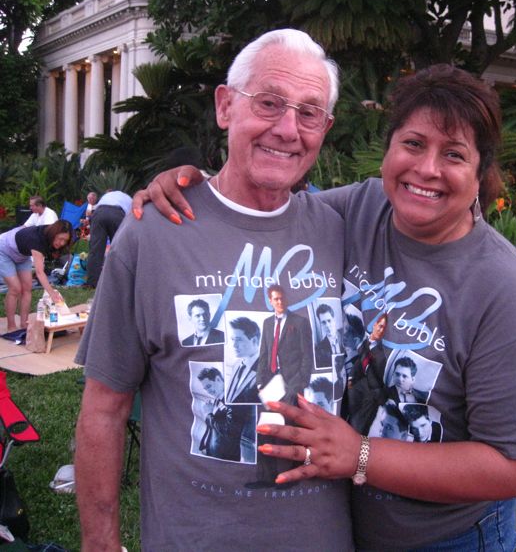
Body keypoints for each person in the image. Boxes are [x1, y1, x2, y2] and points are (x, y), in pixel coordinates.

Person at [138, 63, 516, 550]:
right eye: (413, 143)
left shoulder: (504, 293)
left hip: (447, 539)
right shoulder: (357, 211)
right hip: (347, 527)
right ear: (388, 151)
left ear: (480, 172)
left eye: (454, 154)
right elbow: (264, 208)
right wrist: (196, 187)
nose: (427, 169)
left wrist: (361, 454)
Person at [74, 29, 351, 550]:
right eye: (269, 103)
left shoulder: (343, 226)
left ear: (325, 128)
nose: (288, 129)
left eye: (309, 113)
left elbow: (438, 195)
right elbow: (104, 409)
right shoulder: (152, 233)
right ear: (226, 106)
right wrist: (100, 541)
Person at [0, 221, 71, 331]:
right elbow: (39, 272)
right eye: (60, 239)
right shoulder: (37, 240)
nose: (62, 243)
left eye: (65, 240)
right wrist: (51, 293)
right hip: (4, 250)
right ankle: (11, 326)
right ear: (54, 234)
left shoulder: (48, 234)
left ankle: (24, 324)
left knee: (27, 287)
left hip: (22, 255)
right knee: (15, 288)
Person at [256, 284, 314, 407]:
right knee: (274, 421)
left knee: (291, 422)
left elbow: (307, 355)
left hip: (293, 383)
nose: (280, 302)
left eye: (282, 298)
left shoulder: (300, 322)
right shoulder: (267, 324)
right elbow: (264, 354)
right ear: (270, 301)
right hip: (270, 382)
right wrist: (260, 382)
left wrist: (300, 382)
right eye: (276, 299)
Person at [85, 190, 132, 288]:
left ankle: (92, 283)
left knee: (95, 249)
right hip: (117, 214)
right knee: (120, 249)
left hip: (99, 213)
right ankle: (120, 282)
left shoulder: (106, 197)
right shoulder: (130, 200)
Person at [226, 317, 260, 404]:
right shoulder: (236, 365)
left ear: (254, 340)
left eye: (239, 340)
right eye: (233, 339)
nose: (234, 345)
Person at [314, 302, 343, 367]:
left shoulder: (346, 335)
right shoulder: (319, 350)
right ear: (321, 324)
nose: (327, 325)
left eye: (329, 321)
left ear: (334, 320)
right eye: (323, 322)